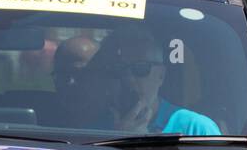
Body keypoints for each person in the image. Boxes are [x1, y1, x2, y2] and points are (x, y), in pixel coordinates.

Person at [86, 28, 221, 135]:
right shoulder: (94, 131)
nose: (128, 78)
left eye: (140, 68)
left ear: (161, 75)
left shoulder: (196, 129)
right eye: (119, 70)